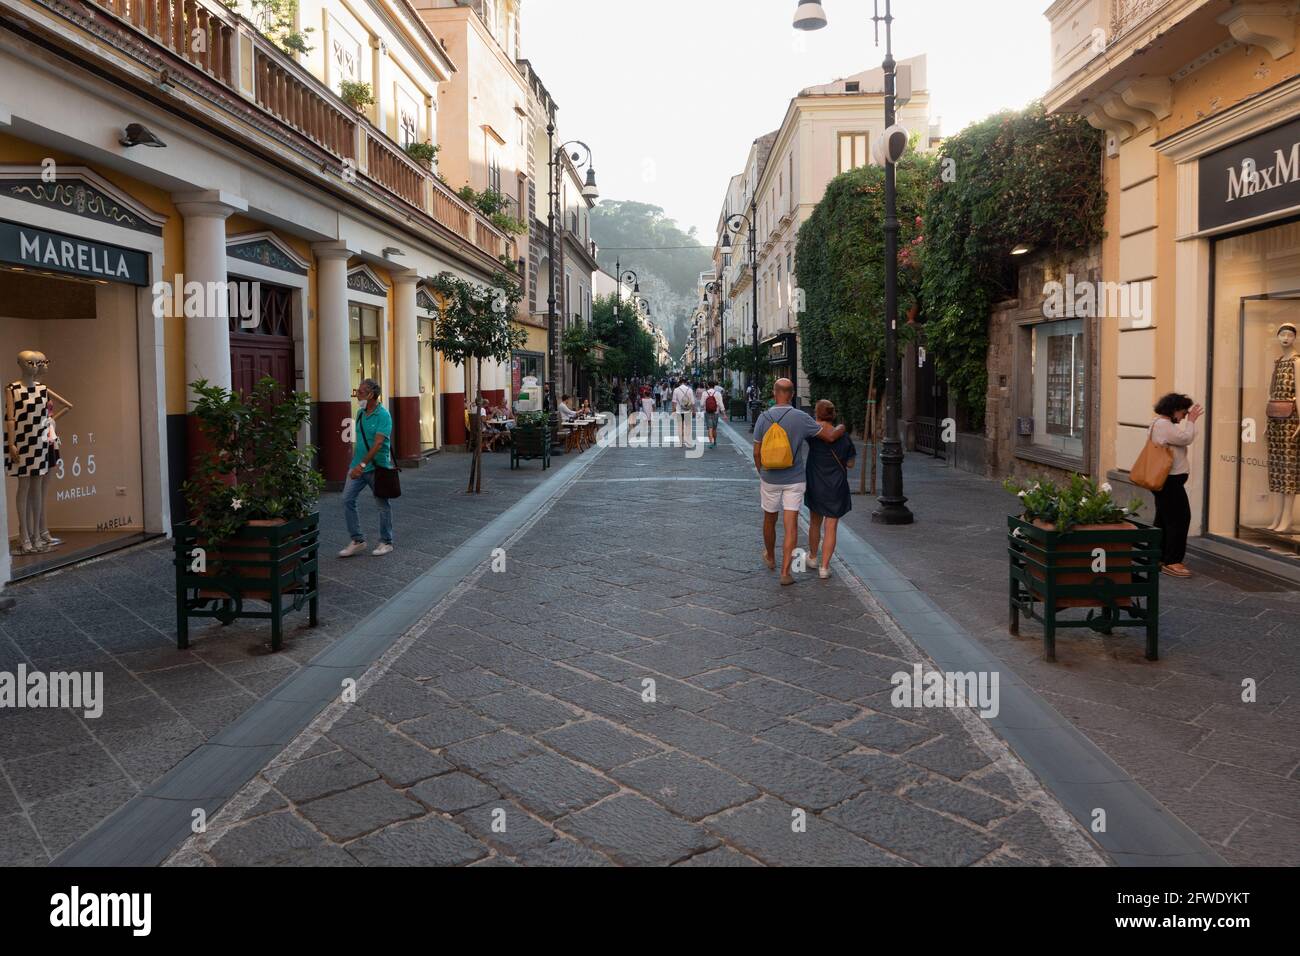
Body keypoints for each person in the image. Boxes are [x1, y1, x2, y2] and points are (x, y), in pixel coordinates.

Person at [753, 379, 845, 585]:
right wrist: (841, 427)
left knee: (769, 518)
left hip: (770, 477)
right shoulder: (801, 417)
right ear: (792, 394)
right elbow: (829, 436)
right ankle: (786, 572)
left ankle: (769, 555)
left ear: (774, 392)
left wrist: (762, 472)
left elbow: (757, 452)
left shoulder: (762, 418)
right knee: (791, 523)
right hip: (794, 478)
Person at [339, 378, 394, 558]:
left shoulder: (384, 415)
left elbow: (378, 444)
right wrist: (357, 464)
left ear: (371, 394)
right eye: (357, 391)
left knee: (382, 505)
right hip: (358, 465)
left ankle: (386, 541)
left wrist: (362, 465)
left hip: (377, 467)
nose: (357, 395)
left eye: (361, 392)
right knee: (347, 499)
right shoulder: (361, 413)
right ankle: (357, 540)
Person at [1150, 392, 1202, 578]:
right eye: (1183, 411)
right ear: (1173, 410)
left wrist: (1188, 421)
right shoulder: (1165, 425)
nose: (1185, 415)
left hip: (1166, 480)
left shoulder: (1161, 424)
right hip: (1169, 480)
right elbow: (1186, 438)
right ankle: (1173, 561)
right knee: (1180, 519)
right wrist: (1193, 421)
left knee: (1164, 519)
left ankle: (1159, 556)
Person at [805, 400, 856, 580]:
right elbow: (850, 464)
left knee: (814, 522)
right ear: (833, 415)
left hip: (816, 482)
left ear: (816, 414)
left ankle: (812, 557)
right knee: (831, 526)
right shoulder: (844, 436)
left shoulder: (813, 434)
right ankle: (824, 567)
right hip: (836, 485)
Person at [672, 378, 696, 447]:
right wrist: (694, 410)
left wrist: (673, 410)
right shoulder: (690, 390)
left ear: (679, 383)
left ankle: (680, 442)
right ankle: (687, 440)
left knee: (680, 426)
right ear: (686, 383)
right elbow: (692, 402)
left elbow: (674, 401)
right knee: (688, 426)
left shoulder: (676, 390)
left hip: (679, 411)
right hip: (687, 411)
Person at [703, 380, 724, 449]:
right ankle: (715, 442)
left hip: (707, 412)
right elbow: (721, 404)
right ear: (714, 386)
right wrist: (724, 413)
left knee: (710, 428)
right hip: (716, 412)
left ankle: (710, 442)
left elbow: (701, 404)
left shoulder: (705, 393)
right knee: (714, 428)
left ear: (708, 386)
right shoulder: (718, 393)